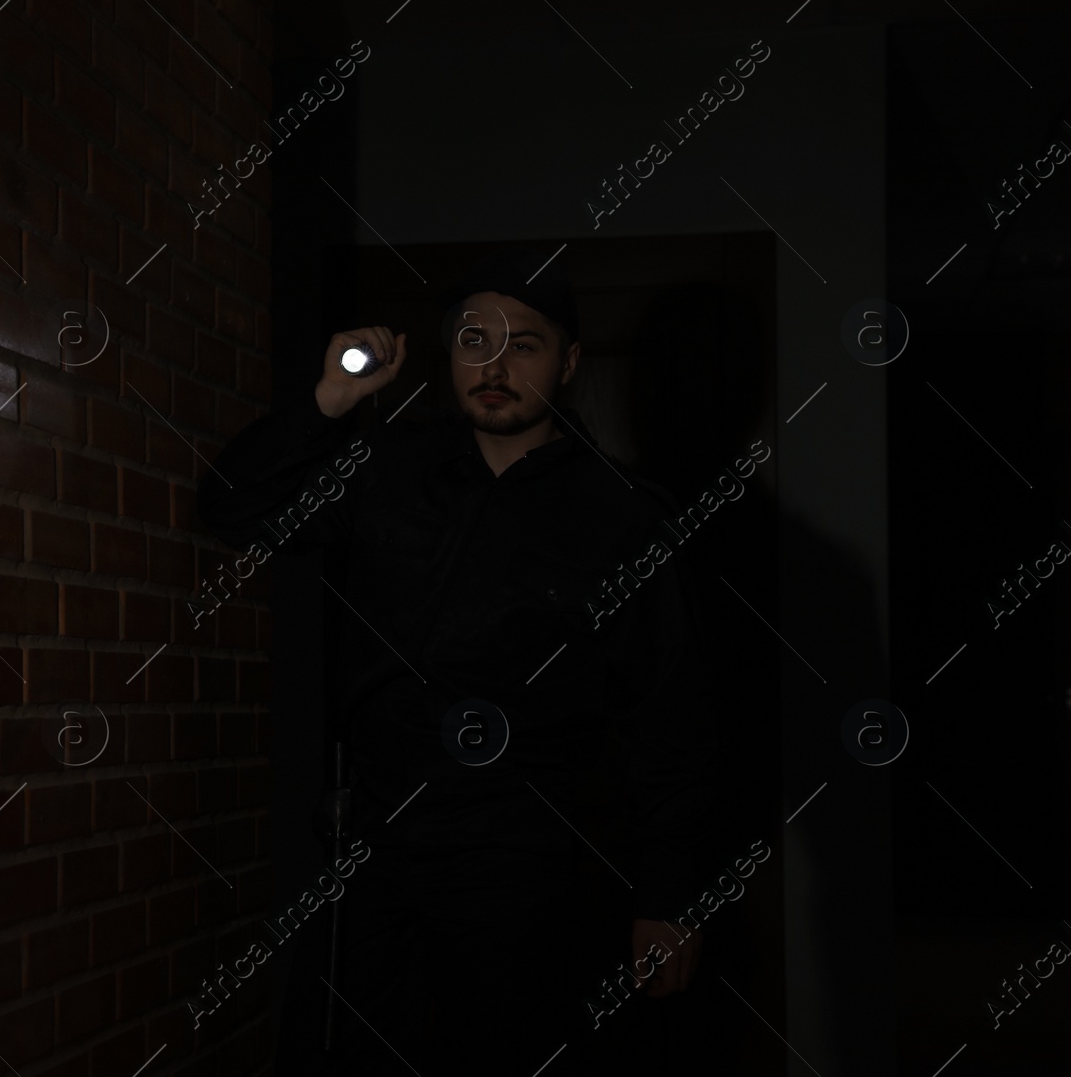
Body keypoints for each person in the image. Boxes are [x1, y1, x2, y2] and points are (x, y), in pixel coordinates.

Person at [196, 247, 720, 1074]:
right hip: (376, 855)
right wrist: (329, 401)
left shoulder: (622, 517)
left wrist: (667, 895)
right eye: (475, 338)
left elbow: (670, 713)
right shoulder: (387, 471)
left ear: (571, 362)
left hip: (530, 868)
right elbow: (231, 509)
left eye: (526, 343)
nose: (495, 363)